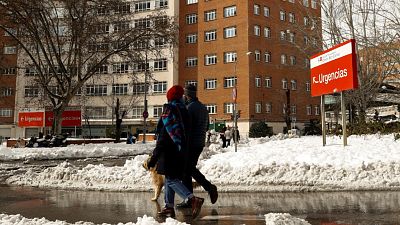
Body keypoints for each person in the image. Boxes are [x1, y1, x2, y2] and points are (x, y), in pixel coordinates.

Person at [146, 85, 204, 219]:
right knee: (170, 179)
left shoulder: (169, 110)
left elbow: (164, 136)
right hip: (182, 151)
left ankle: (192, 199)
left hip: (169, 152)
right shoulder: (185, 110)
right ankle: (169, 207)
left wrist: (154, 157)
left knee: (171, 180)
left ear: (170, 97)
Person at [177, 84, 218, 208]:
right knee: (188, 170)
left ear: (187, 95)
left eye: (184, 95)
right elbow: (206, 127)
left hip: (191, 143)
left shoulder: (189, 108)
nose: (183, 97)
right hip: (199, 142)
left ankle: (208, 188)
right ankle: (190, 198)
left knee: (187, 170)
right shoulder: (203, 108)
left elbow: (186, 128)